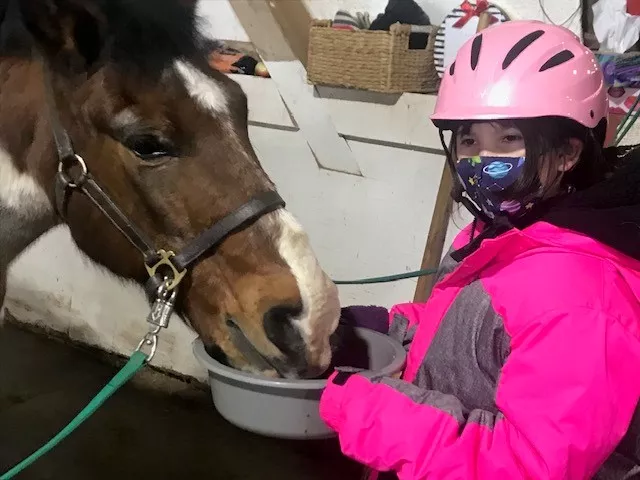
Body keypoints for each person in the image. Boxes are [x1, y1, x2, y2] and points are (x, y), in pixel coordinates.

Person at [319, 19, 640, 480]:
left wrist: (361, 404)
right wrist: (392, 328)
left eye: (509, 138)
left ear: (568, 153)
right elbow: (481, 344)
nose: (482, 160)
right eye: (469, 138)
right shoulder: (513, 233)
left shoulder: (580, 299)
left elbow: (527, 467)